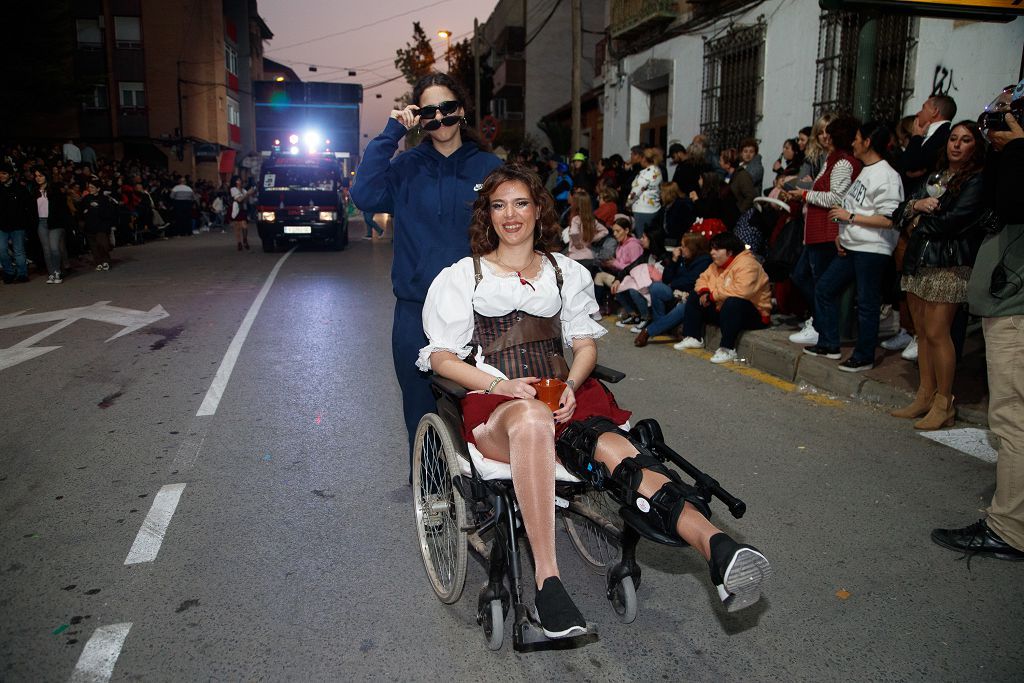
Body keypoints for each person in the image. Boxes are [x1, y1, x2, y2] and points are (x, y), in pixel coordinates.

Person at [418, 164, 771, 638]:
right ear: (488, 214)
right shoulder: (465, 276)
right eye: (499, 205)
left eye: (520, 203)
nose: (510, 215)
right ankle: (548, 581)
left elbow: (584, 345)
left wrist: (570, 385)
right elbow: (441, 358)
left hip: (564, 396)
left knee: (622, 456)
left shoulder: (564, 272)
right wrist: (498, 385)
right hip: (498, 403)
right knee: (530, 418)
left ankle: (718, 547)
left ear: (538, 207)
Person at [350, 72, 502, 478]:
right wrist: (392, 132)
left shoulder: (489, 168)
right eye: (429, 112)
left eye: (447, 109)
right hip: (415, 311)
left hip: (479, 309)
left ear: (462, 111)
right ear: (421, 118)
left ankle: (485, 491)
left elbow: (515, 228)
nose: (440, 118)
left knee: (482, 402)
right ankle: (433, 493)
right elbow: (363, 195)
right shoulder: (406, 166)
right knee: (419, 406)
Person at [931, 112, 1024, 561]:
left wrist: (1016, 148)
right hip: (1008, 307)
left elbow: (1009, 204)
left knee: (1013, 421)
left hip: (1016, 313)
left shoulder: (1011, 164)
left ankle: (1009, 530)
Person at [890, 120, 988, 430]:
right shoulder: (936, 175)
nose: (957, 145)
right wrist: (916, 206)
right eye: (953, 139)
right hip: (919, 261)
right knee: (922, 334)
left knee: (937, 333)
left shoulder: (976, 180)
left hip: (949, 264)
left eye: (966, 140)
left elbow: (954, 222)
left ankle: (945, 403)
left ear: (976, 145)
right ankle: (924, 395)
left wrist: (916, 222)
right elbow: (899, 212)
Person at [805, 122, 904, 370]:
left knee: (867, 303)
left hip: (873, 248)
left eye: (857, 138)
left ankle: (864, 355)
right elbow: (854, 206)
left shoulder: (887, 175)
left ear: (868, 142)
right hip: (852, 244)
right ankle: (829, 343)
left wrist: (849, 219)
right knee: (825, 289)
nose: (853, 143)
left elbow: (889, 218)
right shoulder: (867, 171)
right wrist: (843, 233)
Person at [783, 114, 862, 346]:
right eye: (822, 132)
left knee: (822, 286)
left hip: (828, 231)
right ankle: (822, 330)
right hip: (818, 231)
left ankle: (825, 334)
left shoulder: (842, 162)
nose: (825, 137)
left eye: (830, 133)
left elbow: (836, 197)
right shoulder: (832, 159)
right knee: (811, 281)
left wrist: (804, 194)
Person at [674, 231, 771, 364]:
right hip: (724, 310)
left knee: (733, 302)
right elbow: (702, 279)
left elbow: (742, 291)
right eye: (711, 248)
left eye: (717, 249)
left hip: (754, 314)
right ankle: (693, 337)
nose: (712, 252)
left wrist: (712, 296)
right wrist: (704, 292)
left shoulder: (748, 264)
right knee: (695, 296)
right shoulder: (715, 265)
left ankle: (727, 348)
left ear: (730, 252)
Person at [634, 231, 713, 347]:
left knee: (684, 306)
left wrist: (673, 284)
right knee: (656, 287)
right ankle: (661, 324)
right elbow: (666, 279)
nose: (681, 249)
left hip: (689, 295)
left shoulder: (704, 261)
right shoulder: (682, 258)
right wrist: (674, 260)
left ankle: (648, 331)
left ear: (693, 248)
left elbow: (690, 281)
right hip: (675, 291)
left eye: (684, 246)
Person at [899, 94, 956, 196]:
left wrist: (916, 137)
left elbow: (911, 164)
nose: (918, 113)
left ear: (935, 111)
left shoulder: (943, 136)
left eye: (923, 108)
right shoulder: (929, 133)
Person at [593, 217, 644, 315]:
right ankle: (599, 308)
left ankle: (632, 312)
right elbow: (620, 265)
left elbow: (635, 268)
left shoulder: (633, 245)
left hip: (632, 280)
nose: (615, 234)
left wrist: (614, 263)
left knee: (603, 277)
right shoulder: (621, 245)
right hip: (621, 277)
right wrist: (609, 265)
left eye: (618, 231)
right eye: (614, 231)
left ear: (626, 230)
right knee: (599, 275)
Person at [33, 168, 74, 284]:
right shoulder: (34, 191)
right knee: (46, 250)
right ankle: (51, 273)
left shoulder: (54, 190)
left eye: (40, 175)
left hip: (55, 223)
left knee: (55, 248)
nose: (38, 178)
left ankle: (57, 271)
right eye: (36, 176)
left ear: (46, 176)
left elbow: (62, 208)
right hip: (41, 222)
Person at [0, 163, 34, 283]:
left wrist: (26, 223)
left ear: (10, 174)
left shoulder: (20, 189)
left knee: (19, 251)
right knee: (1, 250)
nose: (1, 176)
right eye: (0, 173)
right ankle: (9, 272)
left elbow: (28, 206)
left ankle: (22, 274)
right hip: (2, 226)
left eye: (4, 173)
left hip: (18, 226)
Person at [564, 189, 607, 273]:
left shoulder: (576, 219)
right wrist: (591, 239)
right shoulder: (591, 220)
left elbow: (574, 232)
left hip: (576, 258)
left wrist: (577, 243)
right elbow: (605, 231)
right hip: (589, 257)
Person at [80, 179, 117, 271]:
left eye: (92, 187)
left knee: (102, 243)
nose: (90, 189)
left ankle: (106, 261)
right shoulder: (86, 198)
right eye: (89, 187)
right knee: (94, 245)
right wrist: (86, 212)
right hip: (90, 225)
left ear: (98, 188)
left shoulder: (104, 199)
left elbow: (109, 212)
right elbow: (81, 211)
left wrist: (96, 208)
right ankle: (98, 262)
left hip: (101, 225)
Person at [626, 148, 663, 238]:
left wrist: (628, 203)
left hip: (642, 209)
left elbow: (636, 191)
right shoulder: (658, 171)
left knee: (641, 237)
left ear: (644, 159)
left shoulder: (645, 174)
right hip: (654, 207)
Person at [718, 148, 756, 214]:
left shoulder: (742, 176)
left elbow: (750, 196)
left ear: (728, 164)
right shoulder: (728, 175)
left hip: (738, 215)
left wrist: (740, 212)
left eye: (721, 160)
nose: (719, 162)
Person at [229, 175, 255, 250]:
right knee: (237, 227)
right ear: (235, 182)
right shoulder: (233, 189)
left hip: (243, 209)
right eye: (238, 180)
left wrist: (251, 192)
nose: (240, 181)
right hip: (236, 208)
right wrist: (247, 194)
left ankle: (245, 240)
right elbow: (239, 200)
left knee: (244, 226)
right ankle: (239, 242)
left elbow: (246, 200)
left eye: (240, 180)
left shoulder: (243, 190)